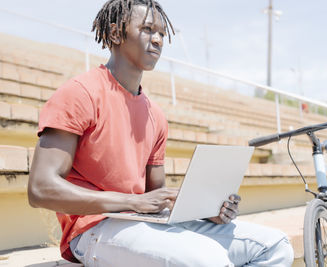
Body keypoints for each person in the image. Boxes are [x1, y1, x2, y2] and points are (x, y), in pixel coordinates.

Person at [28, 0, 294, 266]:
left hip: (142, 222)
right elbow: (40, 189)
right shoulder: (79, 93)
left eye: (162, 34)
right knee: (209, 260)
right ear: (114, 33)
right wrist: (134, 202)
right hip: (94, 228)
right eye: (147, 29)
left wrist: (207, 211)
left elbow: (157, 198)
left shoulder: (154, 114)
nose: (157, 40)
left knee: (275, 246)